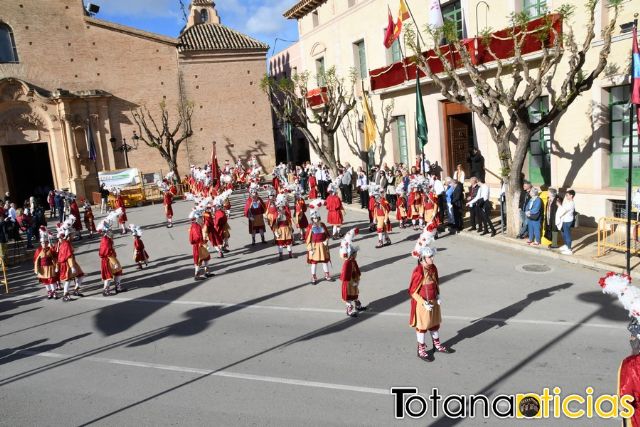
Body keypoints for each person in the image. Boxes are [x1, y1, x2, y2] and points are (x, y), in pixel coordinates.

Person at [408, 245, 453, 362]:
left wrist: (438, 295)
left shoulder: (433, 268)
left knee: (434, 324)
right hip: (423, 304)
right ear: (423, 258)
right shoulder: (418, 271)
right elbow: (412, 292)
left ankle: (437, 345)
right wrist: (423, 303)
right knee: (422, 327)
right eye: (430, 257)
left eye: (432, 256)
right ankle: (421, 350)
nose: (432, 258)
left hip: (433, 301)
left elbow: (436, 283)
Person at [56, 216, 85, 301]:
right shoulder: (66, 244)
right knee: (68, 280)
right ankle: (65, 294)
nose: (74, 235)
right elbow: (68, 257)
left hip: (71, 263)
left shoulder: (66, 243)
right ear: (68, 235)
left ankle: (76, 290)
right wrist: (72, 267)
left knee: (80, 276)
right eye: (73, 234)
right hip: (68, 264)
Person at [98, 210, 126, 296]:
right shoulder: (105, 240)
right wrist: (114, 262)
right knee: (108, 276)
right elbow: (107, 253)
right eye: (110, 230)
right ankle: (106, 290)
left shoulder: (108, 239)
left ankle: (118, 287)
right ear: (106, 232)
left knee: (118, 272)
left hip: (111, 258)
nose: (111, 231)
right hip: (108, 260)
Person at [339, 229, 366, 317]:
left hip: (353, 282)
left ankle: (357, 305)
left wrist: (357, 279)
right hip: (348, 283)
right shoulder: (348, 263)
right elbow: (346, 276)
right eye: (355, 253)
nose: (356, 254)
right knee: (349, 296)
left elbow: (356, 271)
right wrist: (353, 282)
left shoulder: (352, 261)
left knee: (354, 294)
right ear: (351, 254)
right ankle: (349, 309)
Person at [305, 209, 332, 285]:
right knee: (314, 263)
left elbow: (327, 235)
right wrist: (310, 248)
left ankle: (327, 274)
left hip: (322, 246)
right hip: (314, 247)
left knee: (324, 261)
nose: (316, 219)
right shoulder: (310, 226)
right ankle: (313, 276)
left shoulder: (322, 225)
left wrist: (326, 240)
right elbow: (307, 239)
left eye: (317, 218)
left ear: (319, 218)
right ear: (312, 219)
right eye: (314, 218)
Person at [33, 228, 59, 299]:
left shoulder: (51, 250)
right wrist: (36, 269)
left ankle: (54, 292)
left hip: (50, 267)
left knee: (51, 280)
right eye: (43, 243)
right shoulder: (38, 250)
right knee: (45, 281)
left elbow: (55, 259)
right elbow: (36, 260)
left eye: (45, 242)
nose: (44, 244)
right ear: (41, 243)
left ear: (48, 243)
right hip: (42, 268)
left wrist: (56, 267)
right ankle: (49, 292)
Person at [188, 208, 213, 280]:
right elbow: (197, 237)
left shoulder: (196, 225)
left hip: (199, 245)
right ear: (196, 218)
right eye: (200, 217)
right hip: (199, 245)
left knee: (206, 258)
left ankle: (206, 273)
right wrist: (203, 243)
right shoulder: (196, 226)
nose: (202, 219)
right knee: (199, 260)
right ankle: (197, 275)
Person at [269, 194, 294, 261]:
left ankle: (290, 253)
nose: (281, 208)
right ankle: (281, 255)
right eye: (279, 207)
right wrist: (275, 231)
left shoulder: (286, 212)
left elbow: (289, 220)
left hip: (286, 229)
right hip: (279, 229)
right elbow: (274, 223)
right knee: (280, 243)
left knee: (288, 242)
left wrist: (291, 228)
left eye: (282, 206)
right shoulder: (276, 213)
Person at [555, 189, 575, 255]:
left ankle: (569, 249)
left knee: (567, 234)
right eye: (566, 195)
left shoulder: (571, 203)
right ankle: (566, 246)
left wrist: (559, 205)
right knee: (563, 233)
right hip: (564, 220)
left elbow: (563, 210)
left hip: (567, 221)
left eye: (567, 195)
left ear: (571, 196)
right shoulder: (568, 202)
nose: (566, 196)